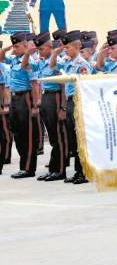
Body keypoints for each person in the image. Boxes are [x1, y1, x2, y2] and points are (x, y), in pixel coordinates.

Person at [51, 30, 94, 184]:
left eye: (67, 47)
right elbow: (52, 65)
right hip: (70, 101)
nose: (65, 50)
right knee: (73, 139)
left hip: (79, 101)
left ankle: (84, 172)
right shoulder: (68, 62)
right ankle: (77, 172)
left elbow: (86, 86)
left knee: (80, 138)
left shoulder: (82, 65)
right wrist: (56, 53)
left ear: (76, 47)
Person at [2, 32, 41, 178]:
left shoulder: (29, 61)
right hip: (14, 99)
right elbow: (1, 58)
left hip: (25, 98)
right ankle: (23, 166)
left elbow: (35, 84)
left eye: (16, 46)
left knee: (28, 135)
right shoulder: (14, 60)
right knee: (18, 133)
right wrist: (6, 49)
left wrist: (35, 106)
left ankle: (29, 168)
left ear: (25, 46)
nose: (14, 49)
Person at [30, 32, 68, 181]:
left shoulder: (57, 61)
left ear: (48, 47)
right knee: (52, 136)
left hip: (56, 97)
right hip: (46, 98)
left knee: (58, 135)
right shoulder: (42, 62)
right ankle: (53, 168)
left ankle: (60, 170)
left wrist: (63, 107)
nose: (39, 52)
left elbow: (63, 85)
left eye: (41, 49)